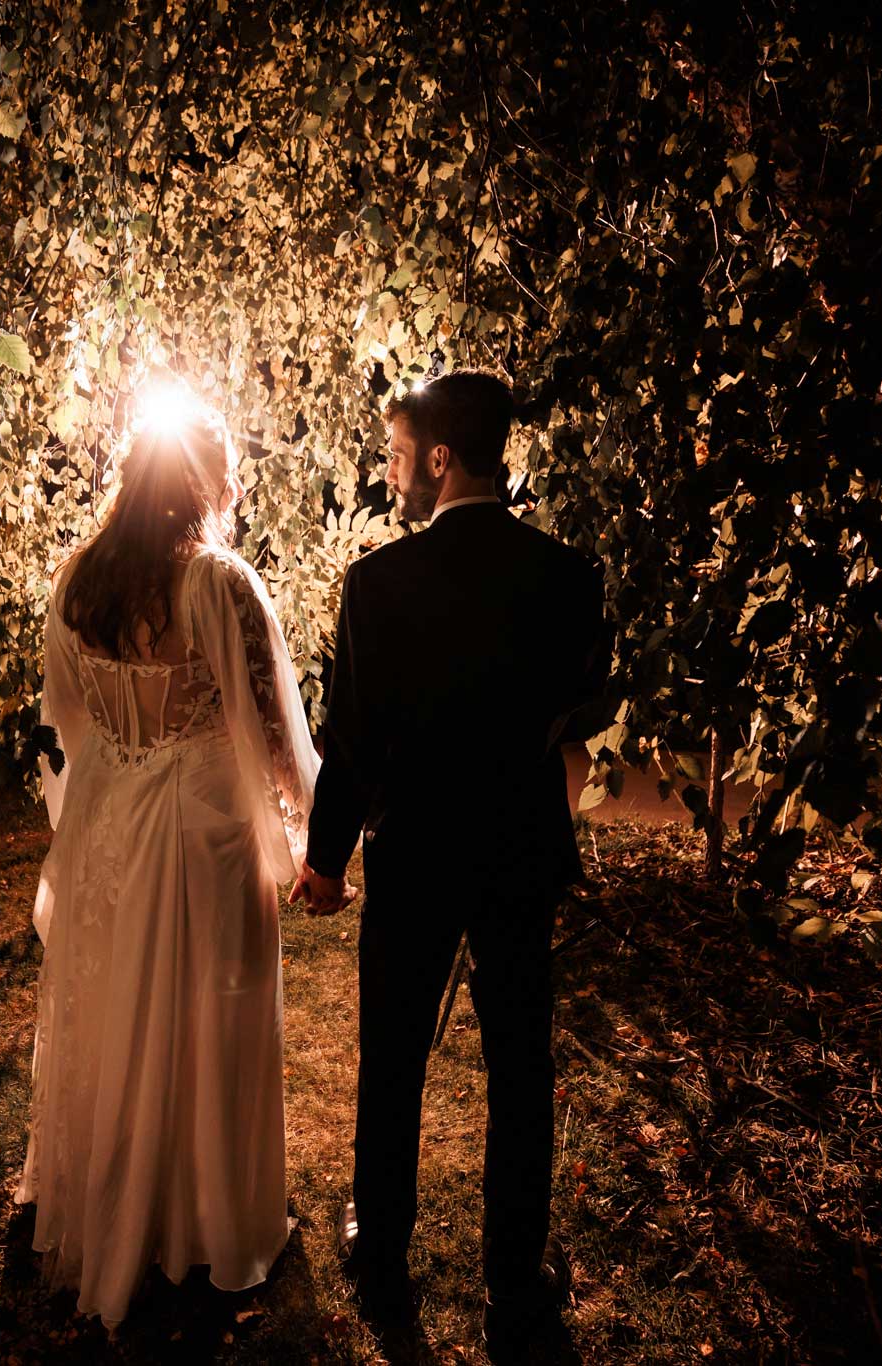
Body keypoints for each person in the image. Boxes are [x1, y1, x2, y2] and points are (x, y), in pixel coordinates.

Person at [290, 370, 610, 1362]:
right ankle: (511, 1283)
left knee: (392, 1058)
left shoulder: (377, 584)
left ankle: (379, 1252)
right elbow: (586, 703)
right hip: (516, 846)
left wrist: (325, 862)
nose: (390, 478)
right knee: (519, 1067)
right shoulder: (568, 575)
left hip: (415, 852)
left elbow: (349, 740)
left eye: (395, 457)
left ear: (438, 458)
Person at [17, 400, 321, 1329]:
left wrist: (87, 820)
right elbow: (270, 728)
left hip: (112, 820)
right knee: (213, 1017)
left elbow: (60, 729)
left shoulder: (75, 579)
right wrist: (309, 835)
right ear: (205, 477)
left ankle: (119, 1200)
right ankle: (207, 1224)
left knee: (114, 1011)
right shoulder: (218, 583)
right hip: (204, 831)